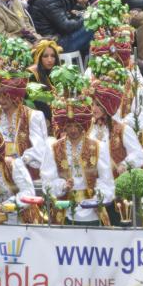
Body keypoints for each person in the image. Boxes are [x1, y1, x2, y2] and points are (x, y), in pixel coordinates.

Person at [42, 66, 115, 226]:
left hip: (93, 212)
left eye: (76, 126)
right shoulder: (53, 148)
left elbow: (107, 181)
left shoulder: (98, 146)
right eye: (68, 126)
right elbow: (47, 182)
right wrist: (62, 186)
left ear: (83, 125)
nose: (73, 130)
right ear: (63, 126)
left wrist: (97, 197)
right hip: (64, 212)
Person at [89, 64, 143, 180]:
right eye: (92, 104)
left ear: (108, 106)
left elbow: (139, 155)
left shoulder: (123, 130)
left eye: (98, 105)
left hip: (116, 187)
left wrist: (124, 164)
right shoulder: (88, 128)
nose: (94, 109)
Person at [0, 71, 49, 179]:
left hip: (26, 172)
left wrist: (19, 162)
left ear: (14, 96)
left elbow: (39, 148)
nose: (1, 100)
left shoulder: (32, 116)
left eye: (5, 97)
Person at [27, 0, 94, 56]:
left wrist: (81, 7)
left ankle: (85, 60)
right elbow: (66, 26)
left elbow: (67, 15)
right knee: (93, 25)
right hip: (56, 43)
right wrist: (85, 18)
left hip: (57, 38)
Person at [27, 39, 61, 127]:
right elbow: (38, 103)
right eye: (45, 56)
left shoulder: (59, 72)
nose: (50, 60)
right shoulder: (32, 74)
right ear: (39, 57)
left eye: (53, 56)